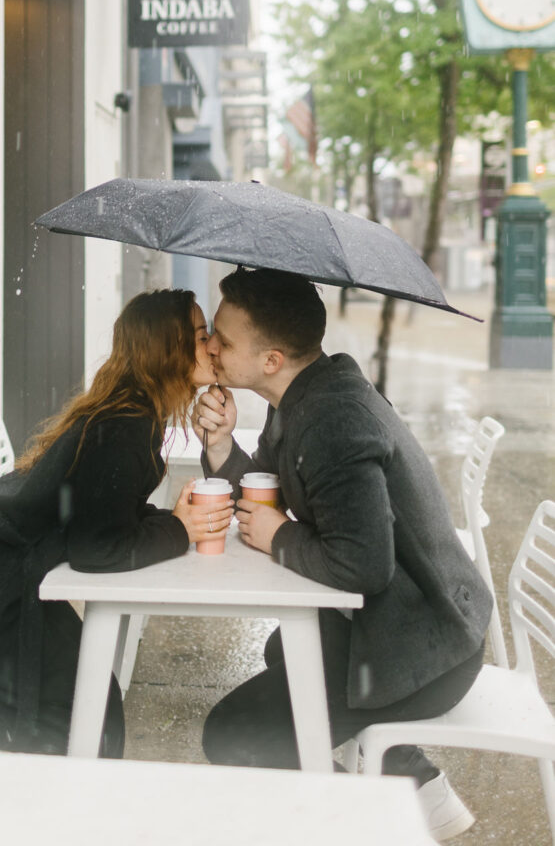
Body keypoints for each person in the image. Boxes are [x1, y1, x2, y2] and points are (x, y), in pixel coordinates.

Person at [193, 267, 492, 842]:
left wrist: (282, 537)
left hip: (428, 648)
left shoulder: (333, 419)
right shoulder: (306, 394)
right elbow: (266, 492)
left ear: (272, 359)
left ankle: (371, 819)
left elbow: (362, 566)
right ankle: (414, 781)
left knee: (234, 734)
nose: (209, 346)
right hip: (411, 622)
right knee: (288, 648)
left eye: (223, 342)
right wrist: (222, 446)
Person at [0, 288, 233, 755]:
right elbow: (97, 549)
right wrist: (179, 530)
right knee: (83, 714)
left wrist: (173, 521)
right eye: (201, 335)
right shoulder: (126, 424)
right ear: (166, 348)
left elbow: (100, 513)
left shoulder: (131, 411)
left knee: (93, 698)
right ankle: (55, 816)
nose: (211, 347)